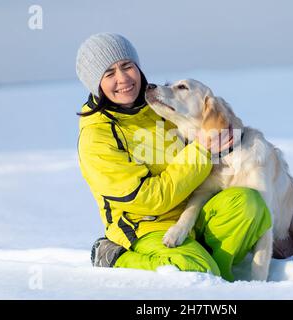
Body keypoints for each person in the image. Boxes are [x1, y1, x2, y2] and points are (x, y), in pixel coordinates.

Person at [75, 33, 272, 281]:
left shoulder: (159, 104)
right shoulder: (98, 136)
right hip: (148, 226)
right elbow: (149, 198)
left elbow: (205, 121)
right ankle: (117, 259)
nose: (123, 79)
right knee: (191, 270)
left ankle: (219, 274)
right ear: (97, 84)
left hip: (191, 215)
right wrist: (201, 151)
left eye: (127, 66)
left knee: (249, 204)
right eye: (109, 73)